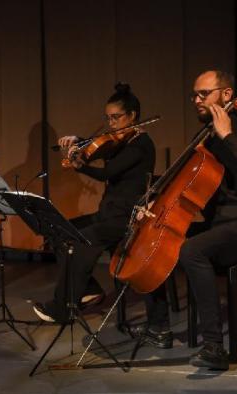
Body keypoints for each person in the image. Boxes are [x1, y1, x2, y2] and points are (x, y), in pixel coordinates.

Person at [138, 70, 237, 370]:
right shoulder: (203, 138)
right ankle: (159, 326)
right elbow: (180, 182)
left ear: (227, 94)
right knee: (155, 235)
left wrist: (228, 135)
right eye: (195, 95)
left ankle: (214, 347)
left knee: (192, 250)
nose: (197, 100)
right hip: (221, 225)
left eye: (204, 94)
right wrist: (154, 199)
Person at [32, 83, 163, 327]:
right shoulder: (120, 141)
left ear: (132, 116)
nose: (111, 124)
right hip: (108, 213)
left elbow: (107, 172)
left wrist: (81, 166)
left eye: (116, 117)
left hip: (126, 218)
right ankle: (89, 290)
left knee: (82, 241)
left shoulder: (141, 145)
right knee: (60, 232)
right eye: (108, 118)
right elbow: (100, 147)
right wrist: (78, 142)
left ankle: (62, 308)